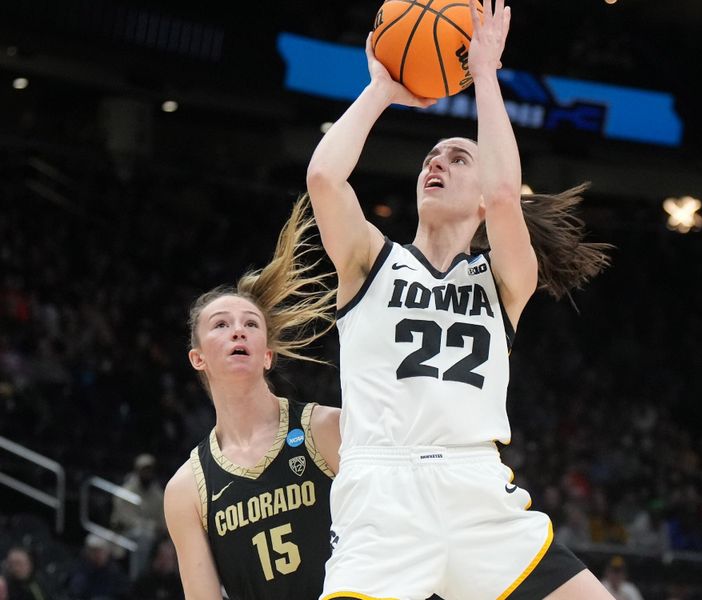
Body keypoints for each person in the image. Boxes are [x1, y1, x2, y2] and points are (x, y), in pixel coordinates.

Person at [305, 0, 613, 598]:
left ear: (480, 199)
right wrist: (380, 92)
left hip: (478, 491)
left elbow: (505, 194)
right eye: (430, 157)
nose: (436, 163)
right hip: (383, 493)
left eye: (457, 157)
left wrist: (488, 74)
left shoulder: (504, 281)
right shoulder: (370, 259)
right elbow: (324, 178)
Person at [164, 194, 341, 600]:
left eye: (250, 324)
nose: (237, 331)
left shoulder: (328, 429)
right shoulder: (187, 488)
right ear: (198, 358)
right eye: (221, 325)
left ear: (267, 355)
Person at [110, 453, 167, 578]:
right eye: (144, 470)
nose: (147, 473)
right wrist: (149, 526)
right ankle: (137, 579)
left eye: (150, 470)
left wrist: (154, 528)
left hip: (153, 536)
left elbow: (163, 522)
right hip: (124, 534)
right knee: (142, 537)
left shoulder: (158, 494)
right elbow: (124, 519)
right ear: (137, 470)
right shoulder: (125, 491)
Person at [67, 534, 131, 600]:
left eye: (101, 551)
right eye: (94, 551)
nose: (98, 555)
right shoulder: (81, 571)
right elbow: (76, 592)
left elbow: (124, 592)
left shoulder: (115, 571)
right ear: (88, 552)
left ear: (107, 552)